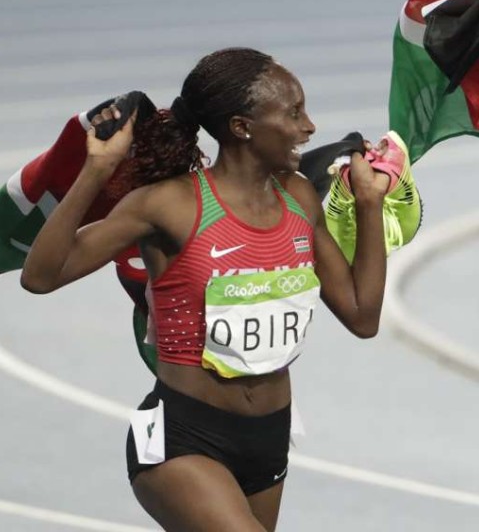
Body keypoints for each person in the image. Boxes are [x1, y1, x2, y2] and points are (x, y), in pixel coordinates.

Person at [21, 47, 392, 531]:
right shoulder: (168, 205)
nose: (310, 127)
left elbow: (363, 316)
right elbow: (41, 276)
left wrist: (368, 204)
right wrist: (97, 170)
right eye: (295, 112)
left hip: (268, 437)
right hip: (183, 438)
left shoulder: (299, 198)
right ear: (242, 127)